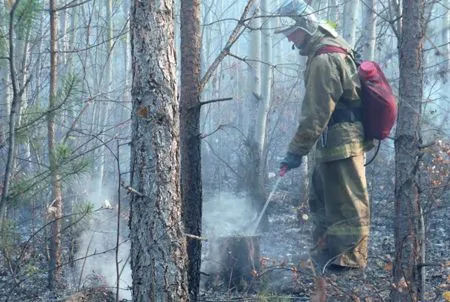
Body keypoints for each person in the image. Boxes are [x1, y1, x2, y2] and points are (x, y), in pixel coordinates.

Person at [275, 0, 373, 273]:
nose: (290, 40)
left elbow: (316, 113)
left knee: (347, 203)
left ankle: (349, 262)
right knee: (324, 199)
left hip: (342, 142)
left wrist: (295, 151)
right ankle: (326, 257)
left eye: (292, 33)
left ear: (306, 26)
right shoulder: (331, 47)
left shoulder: (323, 59)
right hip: (334, 141)